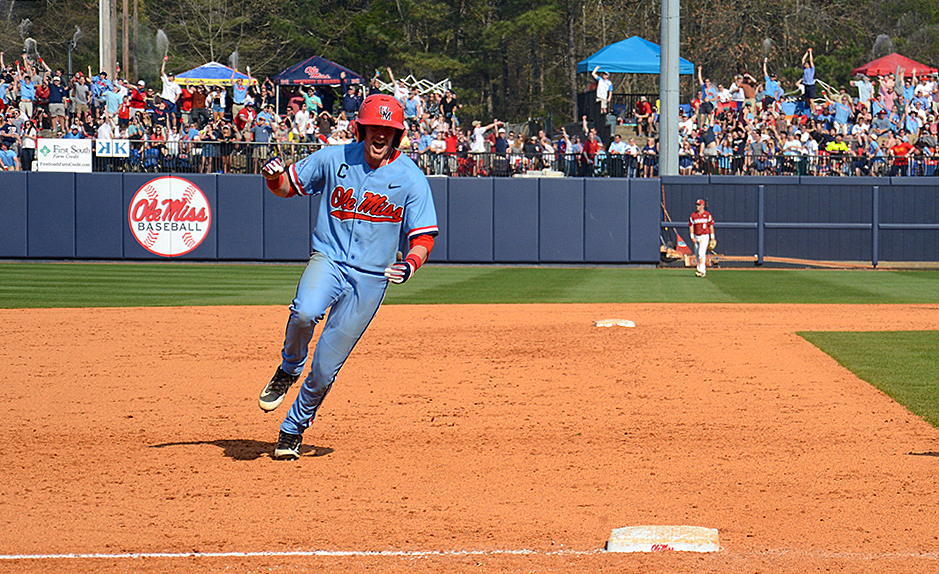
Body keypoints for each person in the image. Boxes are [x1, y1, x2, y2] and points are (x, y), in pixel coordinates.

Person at [257, 94, 438, 460]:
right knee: (304, 312)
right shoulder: (333, 157)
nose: (381, 134)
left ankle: (293, 427)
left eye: (388, 129)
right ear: (361, 129)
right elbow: (287, 187)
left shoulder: (411, 178)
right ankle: (289, 367)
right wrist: (273, 178)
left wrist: (411, 264)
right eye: (374, 127)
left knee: (325, 368)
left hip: (371, 279)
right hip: (329, 259)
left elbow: (423, 237)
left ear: (398, 135)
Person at [689, 198, 715, 277]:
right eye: (697, 205)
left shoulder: (707, 215)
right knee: (697, 254)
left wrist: (712, 237)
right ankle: (701, 270)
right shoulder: (693, 215)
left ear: (703, 206)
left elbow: (711, 226)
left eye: (699, 205)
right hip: (696, 236)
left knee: (701, 253)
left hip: (704, 236)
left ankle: (700, 270)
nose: (697, 206)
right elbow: (691, 226)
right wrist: (692, 236)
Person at [801, 48, 816, 113]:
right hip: (806, 85)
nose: (805, 65)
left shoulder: (811, 69)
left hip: (811, 85)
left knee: (811, 99)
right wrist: (806, 53)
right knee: (807, 99)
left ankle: (814, 110)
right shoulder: (804, 69)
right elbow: (803, 59)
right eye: (805, 64)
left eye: (806, 64)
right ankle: (810, 109)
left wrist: (810, 53)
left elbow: (811, 60)